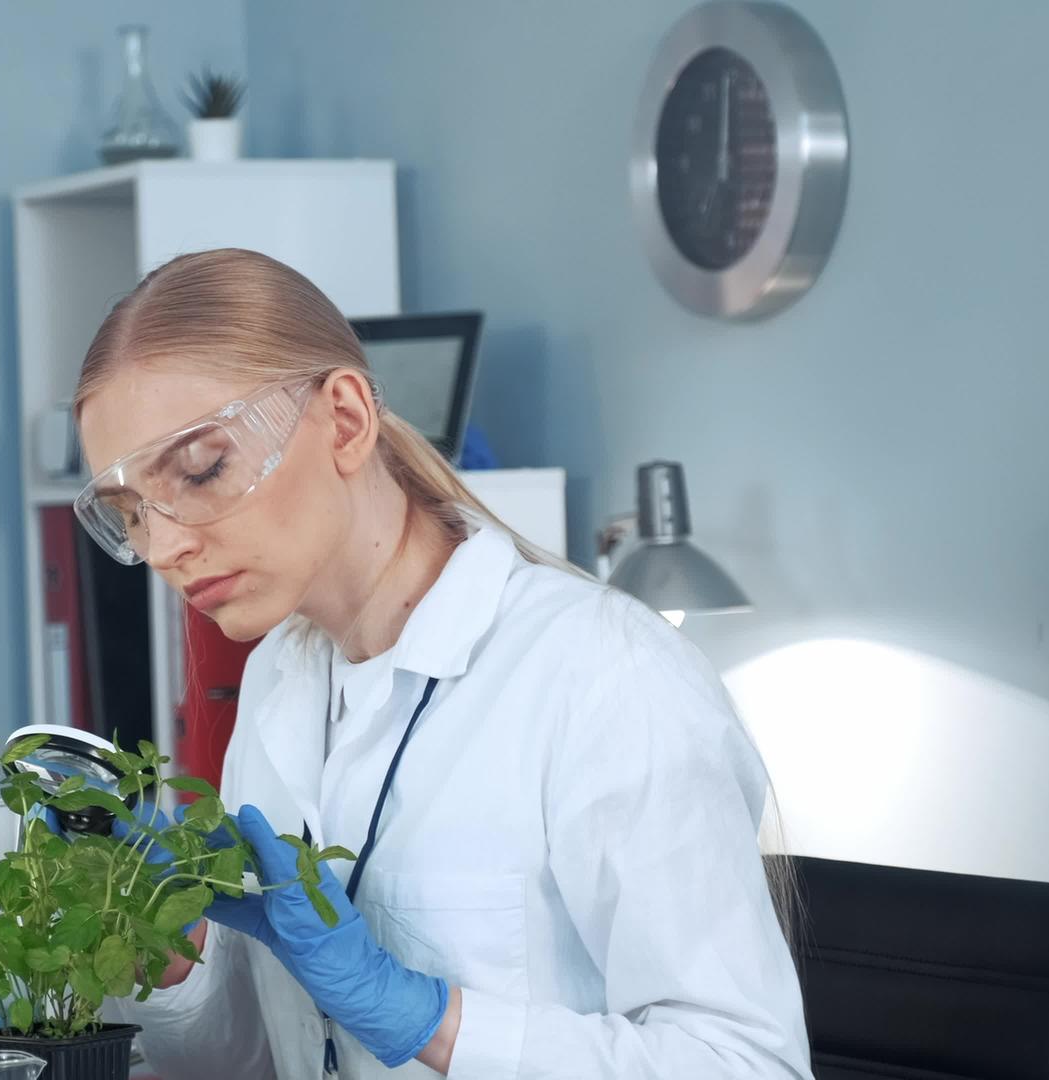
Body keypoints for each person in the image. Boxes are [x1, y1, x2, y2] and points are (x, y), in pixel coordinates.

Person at [67, 248, 811, 1078]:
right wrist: (169, 945)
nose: (164, 546)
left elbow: (750, 1065)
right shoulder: (280, 684)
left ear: (345, 420)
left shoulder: (602, 674)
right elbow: (255, 1058)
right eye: (131, 515)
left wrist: (429, 1020)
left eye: (203, 470)